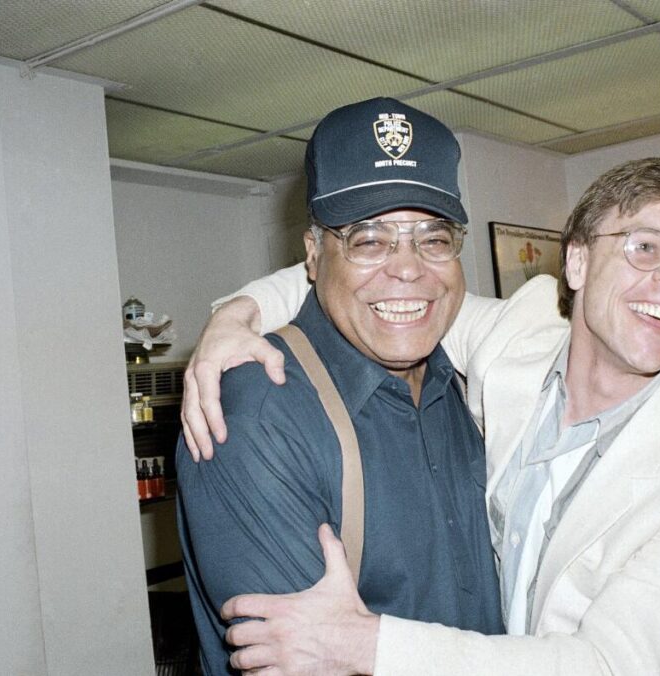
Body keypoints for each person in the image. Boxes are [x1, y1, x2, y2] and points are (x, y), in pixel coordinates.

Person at [183, 157, 660, 675]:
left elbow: (608, 666)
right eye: (645, 247)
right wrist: (233, 319)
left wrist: (363, 643)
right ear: (575, 263)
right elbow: (387, 283)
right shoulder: (516, 335)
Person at [175, 97, 504, 675]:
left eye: (433, 239)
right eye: (368, 240)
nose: (408, 269)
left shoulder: (465, 385)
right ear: (312, 254)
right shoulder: (257, 411)